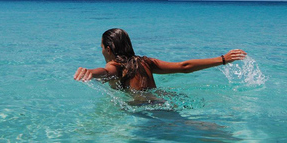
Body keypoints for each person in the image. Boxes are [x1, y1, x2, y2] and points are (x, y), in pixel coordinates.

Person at [74, 28, 247, 91]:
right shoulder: (144, 61)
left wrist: (91, 72)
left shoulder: (116, 66)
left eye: (101, 46)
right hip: (161, 101)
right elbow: (184, 66)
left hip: (145, 113)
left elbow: (106, 71)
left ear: (108, 48)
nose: (101, 50)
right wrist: (223, 59)